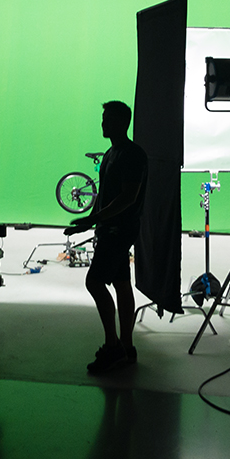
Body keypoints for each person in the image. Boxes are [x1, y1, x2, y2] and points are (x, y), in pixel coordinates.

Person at [65, 100, 148, 374]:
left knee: (94, 281)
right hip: (109, 228)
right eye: (103, 118)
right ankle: (127, 347)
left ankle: (113, 346)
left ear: (123, 122)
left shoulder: (132, 155)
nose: (103, 123)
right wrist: (90, 221)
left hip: (119, 230)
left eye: (108, 119)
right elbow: (105, 194)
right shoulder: (112, 153)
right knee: (122, 284)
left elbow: (128, 197)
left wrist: (95, 219)